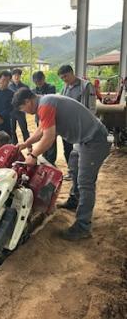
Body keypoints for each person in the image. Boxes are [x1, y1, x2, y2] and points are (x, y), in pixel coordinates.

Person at [13, 88, 110, 241]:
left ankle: (83, 227)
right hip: (83, 140)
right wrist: (26, 144)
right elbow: (41, 131)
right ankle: (74, 200)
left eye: (22, 109)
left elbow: (49, 137)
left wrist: (33, 155)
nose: (24, 111)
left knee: (85, 182)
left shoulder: (45, 105)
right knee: (74, 162)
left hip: (94, 140)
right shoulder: (45, 102)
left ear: (27, 102)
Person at [58, 65, 96, 180]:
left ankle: (82, 172)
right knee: (68, 149)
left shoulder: (85, 86)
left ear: (72, 73)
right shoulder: (65, 88)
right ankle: (71, 171)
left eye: (65, 76)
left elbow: (92, 107)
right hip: (68, 126)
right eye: (62, 78)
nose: (64, 79)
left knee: (81, 150)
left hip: (81, 125)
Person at [32, 71, 57, 165]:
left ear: (43, 79)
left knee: (51, 137)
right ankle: (45, 157)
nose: (38, 84)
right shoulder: (33, 90)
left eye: (39, 81)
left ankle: (51, 159)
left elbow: (49, 99)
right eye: (36, 82)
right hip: (39, 117)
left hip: (50, 117)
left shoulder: (51, 87)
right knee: (42, 136)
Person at [8, 68, 30, 144]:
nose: (16, 77)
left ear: (20, 76)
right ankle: (14, 146)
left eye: (18, 75)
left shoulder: (25, 87)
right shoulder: (9, 87)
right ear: (12, 77)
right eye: (15, 75)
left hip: (21, 111)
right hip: (11, 111)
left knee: (24, 129)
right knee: (12, 130)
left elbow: (28, 98)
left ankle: (29, 146)